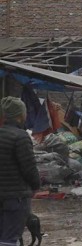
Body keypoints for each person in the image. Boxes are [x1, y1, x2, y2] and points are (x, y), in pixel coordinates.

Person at [0, 97, 40, 246]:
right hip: (16, 197)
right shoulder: (20, 136)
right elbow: (29, 168)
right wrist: (36, 186)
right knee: (10, 238)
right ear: (20, 116)